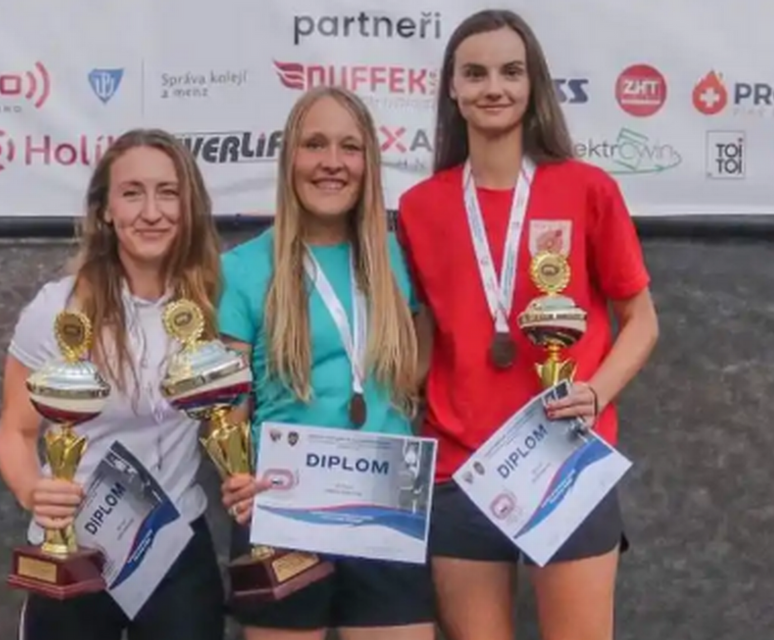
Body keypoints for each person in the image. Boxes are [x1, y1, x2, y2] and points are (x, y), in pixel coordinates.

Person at [395, 10, 660, 640]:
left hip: (563, 457)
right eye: (475, 73)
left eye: (510, 72)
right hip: (459, 469)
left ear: (533, 83)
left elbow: (642, 321)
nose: (494, 87)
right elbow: (427, 337)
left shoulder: (588, 189)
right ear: (452, 88)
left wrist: (595, 392)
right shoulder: (418, 207)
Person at [215, 85, 435, 640]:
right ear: (290, 159)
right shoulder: (243, 269)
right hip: (281, 507)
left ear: (369, 163)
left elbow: (419, 362)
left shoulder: (398, 258)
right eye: (315, 145)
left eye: (349, 147)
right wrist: (235, 475)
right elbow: (227, 406)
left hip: (386, 502)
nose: (332, 162)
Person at [0, 128, 227, 640]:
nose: (151, 212)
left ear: (189, 206)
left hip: (175, 547)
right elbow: (15, 429)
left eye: (168, 192)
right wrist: (33, 490)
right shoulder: (59, 310)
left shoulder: (214, 305)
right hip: (78, 547)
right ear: (105, 210)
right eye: (132, 193)